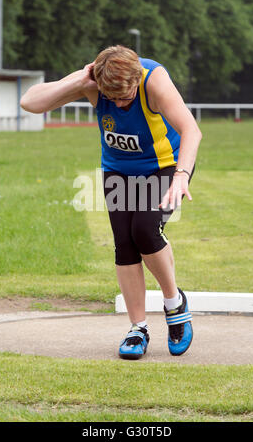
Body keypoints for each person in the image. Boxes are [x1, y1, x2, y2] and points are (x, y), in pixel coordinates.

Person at [20, 45, 202, 360]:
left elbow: (191, 130)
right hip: (119, 171)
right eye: (111, 98)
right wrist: (80, 79)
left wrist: (182, 175)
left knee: (145, 230)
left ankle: (175, 304)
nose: (117, 103)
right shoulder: (96, 84)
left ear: (136, 79)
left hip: (166, 166)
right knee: (125, 244)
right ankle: (138, 328)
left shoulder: (153, 81)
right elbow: (30, 103)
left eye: (124, 98)